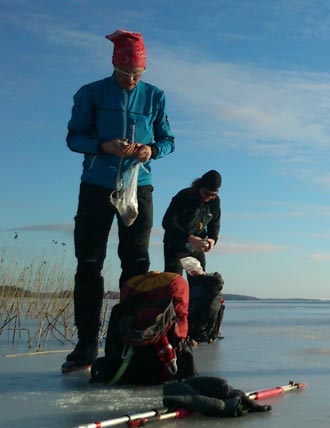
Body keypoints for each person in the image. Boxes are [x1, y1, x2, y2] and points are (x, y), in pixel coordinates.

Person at [64, 30, 175, 372]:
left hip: (138, 187)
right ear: (115, 66)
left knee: (136, 264)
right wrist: (104, 146)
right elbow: (74, 138)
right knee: (89, 262)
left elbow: (168, 140)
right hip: (97, 186)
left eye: (137, 75)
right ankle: (86, 343)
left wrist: (150, 150)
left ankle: (131, 340)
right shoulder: (90, 94)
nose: (131, 80)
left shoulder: (155, 97)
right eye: (126, 74)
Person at [162, 170, 222, 275]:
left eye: (213, 195)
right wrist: (189, 237)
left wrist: (212, 239)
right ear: (199, 187)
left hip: (197, 246)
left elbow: (214, 223)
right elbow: (167, 222)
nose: (208, 197)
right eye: (206, 193)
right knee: (174, 281)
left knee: (200, 282)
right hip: (175, 244)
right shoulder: (184, 196)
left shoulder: (214, 201)